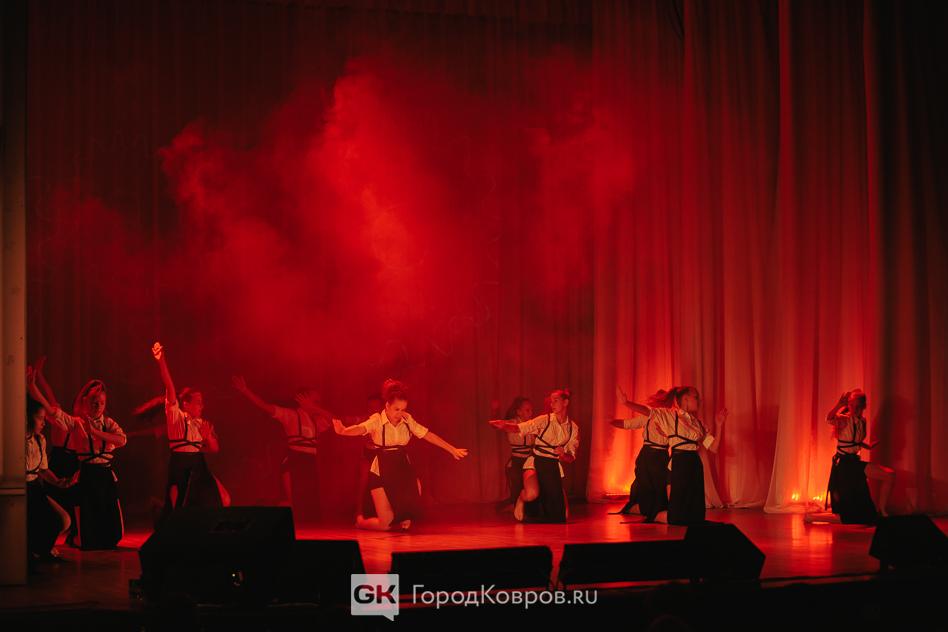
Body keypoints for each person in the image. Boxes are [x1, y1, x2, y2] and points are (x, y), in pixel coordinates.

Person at [333, 379, 468, 530]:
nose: (400, 413)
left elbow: (428, 435)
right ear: (387, 406)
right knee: (385, 525)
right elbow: (361, 428)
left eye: (403, 409)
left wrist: (452, 449)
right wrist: (344, 431)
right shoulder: (377, 420)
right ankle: (361, 522)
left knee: (408, 513)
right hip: (381, 470)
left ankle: (405, 515)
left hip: (402, 470)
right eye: (396, 409)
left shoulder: (407, 420)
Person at [27, 366, 126, 549]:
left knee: (112, 532)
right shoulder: (77, 423)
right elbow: (51, 410)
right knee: (88, 532)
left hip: (105, 475)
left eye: (102, 403)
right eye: (94, 402)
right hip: (88, 473)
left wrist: (95, 432)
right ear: (85, 401)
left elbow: (122, 440)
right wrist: (33, 386)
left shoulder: (109, 423)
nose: (98, 407)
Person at [613, 386, 726, 525]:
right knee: (676, 516)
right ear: (685, 399)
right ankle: (654, 516)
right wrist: (626, 403)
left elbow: (713, 448)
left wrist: (719, 426)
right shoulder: (670, 416)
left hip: (695, 464)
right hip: (679, 463)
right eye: (696, 397)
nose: (699, 401)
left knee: (696, 514)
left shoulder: (698, 423)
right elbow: (648, 411)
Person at [232, 375, 331, 524]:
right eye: (315, 400)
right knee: (294, 504)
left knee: (309, 506)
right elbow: (265, 406)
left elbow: (333, 418)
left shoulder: (317, 420)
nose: (318, 402)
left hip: (310, 463)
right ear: (302, 399)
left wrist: (314, 408)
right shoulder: (291, 415)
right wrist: (245, 390)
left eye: (318, 401)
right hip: (294, 461)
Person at [149, 341, 228, 525]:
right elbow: (170, 387)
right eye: (198, 402)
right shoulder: (175, 416)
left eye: (202, 402)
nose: (202, 406)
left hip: (198, 464)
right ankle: (165, 517)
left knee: (224, 499)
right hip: (180, 463)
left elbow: (215, 448)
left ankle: (206, 528)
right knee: (177, 507)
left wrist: (207, 438)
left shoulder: (203, 423)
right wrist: (161, 361)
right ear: (186, 404)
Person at [491, 388, 579, 523]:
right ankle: (521, 498)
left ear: (565, 403)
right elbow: (520, 428)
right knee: (532, 494)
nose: (552, 404)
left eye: (556, 401)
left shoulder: (573, 428)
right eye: (551, 401)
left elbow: (571, 457)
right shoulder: (544, 420)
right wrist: (504, 425)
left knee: (563, 516)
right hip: (535, 462)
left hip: (552, 467)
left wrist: (563, 454)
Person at [806, 389, 894, 524]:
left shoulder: (862, 421)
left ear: (863, 406)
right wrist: (838, 405)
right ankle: (811, 517)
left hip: (854, 463)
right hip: (844, 466)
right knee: (850, 516)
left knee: (889, 475)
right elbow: (829, 418)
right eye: (851, 405)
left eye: (857, 406)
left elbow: (854, 441)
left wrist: (868, 446)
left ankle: (882, 511)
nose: (854, 409)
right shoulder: (844, 419)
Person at [25, 370, 79, 563]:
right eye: (40, 419)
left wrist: (59, 482)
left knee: (64, 520)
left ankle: (40, 550)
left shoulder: (40, 440)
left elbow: (42, 469)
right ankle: (35, 551)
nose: (44, 423)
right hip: (23, 489)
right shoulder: (19, 440)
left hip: (35, 487)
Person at [612, 385, 669, 520]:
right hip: (648, 454)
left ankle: (656, 510)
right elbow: (628, 424)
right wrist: (609, 421)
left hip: (661, 455)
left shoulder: (671, 417)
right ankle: (647, 509)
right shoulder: (648, 416)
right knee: (646, 483)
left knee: (660, 484)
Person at [493, 396, 534, 508]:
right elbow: (497, 425)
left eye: (531, 410)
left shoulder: (533, 424)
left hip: (529, 461)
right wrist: (495, 412)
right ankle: (515, 507)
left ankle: (526, 508)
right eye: (527, 410)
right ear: (519, 412)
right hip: (517, 462)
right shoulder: (512, 423)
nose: (531, 413)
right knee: (517, 488)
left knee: (530, 488)